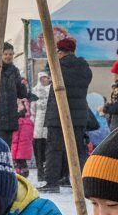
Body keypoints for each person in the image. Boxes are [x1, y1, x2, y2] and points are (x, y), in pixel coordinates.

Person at [41, 37, 91, 193]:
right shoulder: (84, 68)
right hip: (79, 115)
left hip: (59, 114)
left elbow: (49, 67)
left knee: (54, 149)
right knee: (78, 150)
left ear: (61, 52)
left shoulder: (59, 67)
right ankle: (83, 182)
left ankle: (52, 182)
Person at [11, 88, 34, 176]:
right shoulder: (14, 101)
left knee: (21, 155)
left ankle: (23, 171)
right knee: (15, 154)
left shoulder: (26, 102)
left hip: (24, 127)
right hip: (18, 126)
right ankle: (18, 170)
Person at [31, 71, 50, 180]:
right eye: (42, 78)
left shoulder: (51, 90)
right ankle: (40, 172)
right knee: (38, 148)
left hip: (49, 123)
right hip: (38, 123)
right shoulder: (35, 91)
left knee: (48, 149)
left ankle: (47, 171)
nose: (44, 80)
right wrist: (34, 120)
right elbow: (32, 108)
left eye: (45, 78)